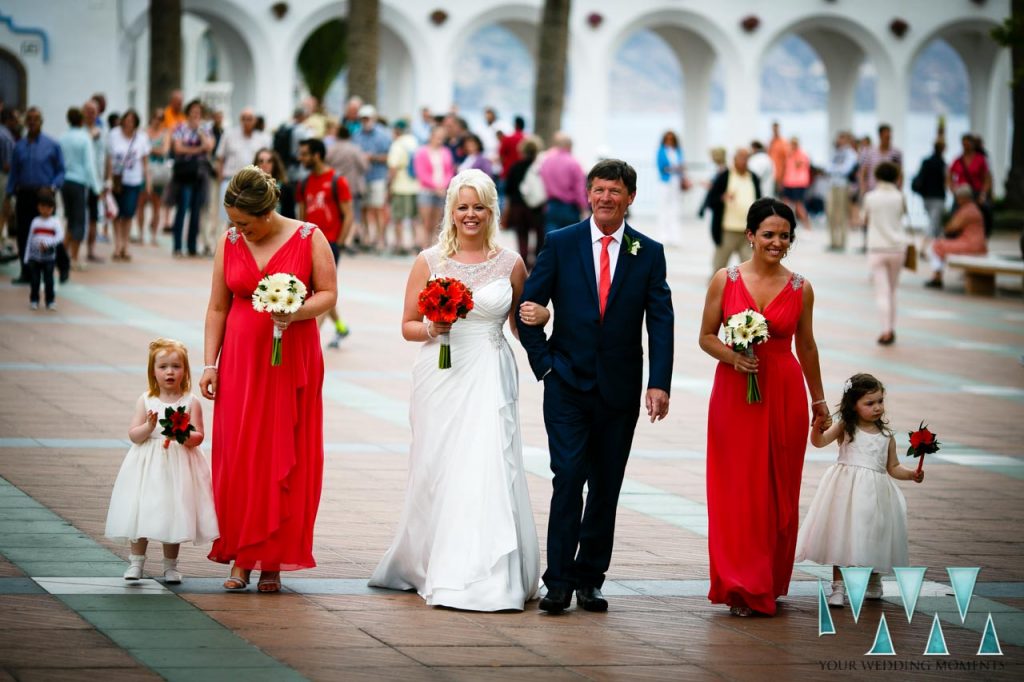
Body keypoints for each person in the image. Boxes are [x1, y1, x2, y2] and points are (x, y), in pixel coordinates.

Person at [370, 169, 543, 611]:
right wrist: (433, 326)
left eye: (479, 206)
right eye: (462, 206)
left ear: (492, 211)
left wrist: (545, 326)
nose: (470, 215)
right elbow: (408, 325)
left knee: (486, 461)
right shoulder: (429, 261)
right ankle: (428, 559)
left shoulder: (511, 263)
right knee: (438, 464)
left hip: (490, 370)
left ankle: (485, 571)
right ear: (451, 210)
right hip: (440, 371)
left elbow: (521, 326)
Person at [518, 159, 674, 614]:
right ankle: (559, 582)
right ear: (588, 194)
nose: (606, 198)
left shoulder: (648, 251)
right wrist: (544, 363)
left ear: (630, 198)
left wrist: (658, 383)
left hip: (620, 390)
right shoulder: (561, 243)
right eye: (599, 189)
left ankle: (590, 580)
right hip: (565, 383)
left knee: (606, 485)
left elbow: (660, 321)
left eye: (615, 191)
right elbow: (529, 305)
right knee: (568, 478)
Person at [200, 166, 336, 592]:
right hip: (241, 360)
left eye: (244, 223)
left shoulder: (308, 237)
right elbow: (218, 306)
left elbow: (329, 295)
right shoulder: (230, 241)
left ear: (267, 211)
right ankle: (240, 556)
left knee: (286, 452)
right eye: (232, 222)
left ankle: (273, 559)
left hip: (292, 358)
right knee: (239, 453)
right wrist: (210, 363)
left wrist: (295, 311)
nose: (238, 230)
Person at [698, 197, 828, 617]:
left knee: (779, 490)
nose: (776, 242)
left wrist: (819, 400)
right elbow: (706, 336)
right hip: (736, 394)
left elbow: (806, 346)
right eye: (768, 234)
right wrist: (733, 357)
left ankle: (768, 579)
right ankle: (739, 584)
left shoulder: (801, 287)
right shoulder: (726, 278)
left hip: (785, 392)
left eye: (784, 236)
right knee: (737, 488)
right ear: (750, 235)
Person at [795, 373, 924, 608]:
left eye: (880, 401)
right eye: (869, 403)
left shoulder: (887, 437)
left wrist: (911, 474)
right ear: (853, 405)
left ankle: (875, 580)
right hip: (846, 491)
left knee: (874, 535)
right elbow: (820, 441)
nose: (877, 408)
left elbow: (892, 467)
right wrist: (815, 427)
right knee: (842, 536)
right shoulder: (846, 427)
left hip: (875, 494)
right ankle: (838, 587)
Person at [105, 338, 219, 584]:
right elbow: (134, 435)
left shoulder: (191, 402)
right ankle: (136, 562)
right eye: (163, 367)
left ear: (185, 371)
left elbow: (199, 436)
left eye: (176, 366)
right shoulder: (146, 400)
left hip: (178, 468)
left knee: (173, 512)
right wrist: (148, 426)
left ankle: (171, 566)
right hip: (147, 465)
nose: (170, 372)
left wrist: (184, 434)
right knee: (141, 509)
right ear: (152, 371)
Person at [296, 138, 354, 349]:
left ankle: (313, 339)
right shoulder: (303, 183)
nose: (300, 158)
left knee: (321, 292)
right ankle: (340, 326)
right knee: (316, 290)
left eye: (304, 154)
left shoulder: (337, 181)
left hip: (330, 244)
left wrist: (338, 243)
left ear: (316, 155)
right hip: (308, 244)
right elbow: (302, 215)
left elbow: (348, 214)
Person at [5, 107, 64, 285]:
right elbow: (14, 172)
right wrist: (8, 196)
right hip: (24, 194)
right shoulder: (19, 146)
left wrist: (53, 187)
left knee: (45, 234)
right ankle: (26, 272)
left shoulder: (52, 145)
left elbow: (61, 171)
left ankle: (47, 271)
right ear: (25, 122)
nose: (32, 122)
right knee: (24, 234)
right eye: (29, 119)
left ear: (41, 121)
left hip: (44, 196)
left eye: (36, 119)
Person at [862, 162, 906, 346]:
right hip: (897, 248)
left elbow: (864, 219)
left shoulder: (870, 197)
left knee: (882, 292)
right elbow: (901, 216)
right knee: (893, 290)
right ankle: (892, 328)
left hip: (877, 248)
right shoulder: (900, 196)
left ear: (877, 176)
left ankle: (886, 330)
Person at [704, 148, 762, 273]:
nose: (744, 161)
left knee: (750, 269)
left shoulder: (754, 177)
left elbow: (760, 201)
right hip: (727, 231)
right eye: (741, 158)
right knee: (719, 267)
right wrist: (722, 198)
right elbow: (710, 200)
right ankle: (716, 290)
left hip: (748, 232)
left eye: (746, 158)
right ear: (734, 159)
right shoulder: (724, 176)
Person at [105, 109, 151, 262]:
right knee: (115, 213)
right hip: (117, 180)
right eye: (127, 119)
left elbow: (145, 162)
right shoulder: (114, 135)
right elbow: (109, 159)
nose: (129, 123)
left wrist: (148, 181)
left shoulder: (142, 138)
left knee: (128, 213)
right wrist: (108, 179)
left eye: (132, 120)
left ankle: (126, 245)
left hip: (134, 180)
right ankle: (117, 245)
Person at [170, 99, 214, 257]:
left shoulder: (205, 128)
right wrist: (197, 150)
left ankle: (192, 246)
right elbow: (177, 148)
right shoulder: (180, 128)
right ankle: (177, 246)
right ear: (188, 112)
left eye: (199, 112)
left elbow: (209, 146)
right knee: (182, 209)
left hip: (200, 175)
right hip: (184, 174)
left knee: (196, 210)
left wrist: (200, 133)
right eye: (193, 111)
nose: (196, 115)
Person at [59, 107, 101, 272]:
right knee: (79, 221)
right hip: (79, 182)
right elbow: (89, 165)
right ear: (82, 120)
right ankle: (74, 258)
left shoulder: (63, 137)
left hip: (64, 181)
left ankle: (62, 254)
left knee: (69, 219)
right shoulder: (84, 138)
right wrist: (97, 187)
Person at [925, 184, 987, 289]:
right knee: (939, 244)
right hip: (978, 244)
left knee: (937, 245)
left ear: (963, 198)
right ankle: (937, 276)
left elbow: (952, 227)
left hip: (970, 244)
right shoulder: (974, 209)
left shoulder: (966, 211)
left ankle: (937, 277)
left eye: (957, 198)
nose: (957, 201)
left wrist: (946, 225)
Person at [353, 105, 392, 253]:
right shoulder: (357, 135)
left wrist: (373, 157)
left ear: (373, 118)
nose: (365, 121)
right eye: (363, 118)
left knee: (377, 208)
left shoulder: (383, 135)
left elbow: (389, 157)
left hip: (377, 176)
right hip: (362, 177)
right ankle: (367, 237)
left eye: (367, 118)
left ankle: (380, 239)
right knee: (363, 208)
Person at [505, 136, 545, 268]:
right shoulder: (540, 168)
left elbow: (509, 191)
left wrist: (507, 211)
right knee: (539, 235)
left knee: (522, 236)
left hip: (518, 207)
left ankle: (524, 263)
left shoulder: (515, 167)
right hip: (536, 208)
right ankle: (538, 261)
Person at [413, 126, 455, 251]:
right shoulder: (422, 152)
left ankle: (433, 245)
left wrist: (443, 185)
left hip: (442, 190)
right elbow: (421, 173)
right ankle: (423, 245)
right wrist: (435, 186)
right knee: (425, 220)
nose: (440, 139)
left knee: (437, 221)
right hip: (427, 190)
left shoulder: (446, 152)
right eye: (437, 136)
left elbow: (449, 171)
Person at [539, 132, 588, 234]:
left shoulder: (547, 161)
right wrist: (584, 208)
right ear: (569, 146)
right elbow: (579, 189)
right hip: (569, 208)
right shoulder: (574, 163)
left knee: (551, 241)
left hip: (551, 206)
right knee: (569, 241)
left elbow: (542, 182)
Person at [24, 189, 63, 311]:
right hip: (35, 258)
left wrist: (48, 243)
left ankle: (50, 300)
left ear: (53, 208)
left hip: (49, 258)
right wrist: (27, 257)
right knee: (35, 280)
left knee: (49, 280)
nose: (45, 210)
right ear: (38, 207)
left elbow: (60, 236)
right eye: (43, 206)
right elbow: (30, 239)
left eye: (49, 207)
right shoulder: (35, 222)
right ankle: (34, 300)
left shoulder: (55, 222)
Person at [947, 134, 992, 236]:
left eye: (967, 144)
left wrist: (983, 193)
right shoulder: (958, 160)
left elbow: (987, 178)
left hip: (975, 193)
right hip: (961, 193)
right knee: (955, 214)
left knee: (984, 213)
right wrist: (952, 188)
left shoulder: (980, 159)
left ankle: (983, 234)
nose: (965, 147)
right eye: (964, 144)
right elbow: (949, 175)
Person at [386, 119, 420, 255]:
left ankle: (400, 245)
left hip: (400, 186)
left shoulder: (397, 144)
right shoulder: (415, 142)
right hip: (415, 185)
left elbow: (393, 167)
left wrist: (389, 186)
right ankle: (415, 243)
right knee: (414, 218)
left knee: (398, 217)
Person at [138, 110, 172, 245]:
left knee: (156, 204)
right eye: (156, 117)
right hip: (143, 170)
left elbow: (164, 151)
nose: (157, 120)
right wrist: (152, 150)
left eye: (161, 118)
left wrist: (148, 149)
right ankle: (140, 234)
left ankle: (153, 235)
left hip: (158, 172)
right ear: (151, 118)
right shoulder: (143, 132)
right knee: (140, 202)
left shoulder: (165, 133)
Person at [911, 140, 947, 248]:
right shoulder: (942, 164)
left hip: (926, 196)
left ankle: (937, 248)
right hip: (937, 197)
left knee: (935, 223)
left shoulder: (926, 162)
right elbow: (946, 181)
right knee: (933, 223)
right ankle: (923, 247)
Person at [826, 132, 858, 251]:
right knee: (831, 214)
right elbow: (827, 167)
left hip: (843, 187)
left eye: (842, 138)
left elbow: (846, 169)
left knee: (842, 215)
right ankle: (833, 241)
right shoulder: (834, 152)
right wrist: (836, 168)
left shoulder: (850, 153)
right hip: (832, 185)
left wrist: (835, 169)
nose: (839, 141)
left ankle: (841, 242)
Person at [655, 131, 689, 247]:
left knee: (675, 209)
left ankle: (675, 236)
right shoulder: (661, 151)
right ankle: (663, 235)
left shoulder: (678, 151)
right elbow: (662, 167)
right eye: (667, 139)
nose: (669, 141)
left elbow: (682, 167)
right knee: (663, 209)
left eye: (671, 139)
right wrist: (675, 168)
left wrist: (680, 171)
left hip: (676, 183)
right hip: (665, 183)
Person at [253, 147, 295, 219]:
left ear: (274, 164)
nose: (265, 164)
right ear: (256, 164)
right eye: (261, 161)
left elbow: (290, 216)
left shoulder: (285, 187)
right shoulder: (250, 187)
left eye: (269, 161)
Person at [781, 137, 811, 229]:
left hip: (798, 183)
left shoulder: (801, 154)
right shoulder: (788, 154)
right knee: (785, 204)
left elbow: (799, 165)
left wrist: (793, 155)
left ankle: (807, 226)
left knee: (798, 205)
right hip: (788, 182)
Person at [768, 122, 789, 192]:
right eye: (773, 129)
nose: (775, 131)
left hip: (780, 176)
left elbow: (786, 160)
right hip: (771, 175)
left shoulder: (783, 142)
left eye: (776, 129)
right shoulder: (770, 142)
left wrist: (782, 178)